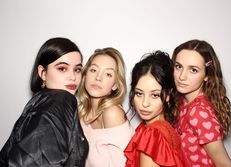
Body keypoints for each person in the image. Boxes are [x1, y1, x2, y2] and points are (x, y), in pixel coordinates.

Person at [0, 37, 89, 167]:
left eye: (77, 69)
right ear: (42, 73)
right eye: (62, 68)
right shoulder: (61, 100)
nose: (73, 77)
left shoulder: (42, 100)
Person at [172, 39, 231, 166]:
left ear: (207, 75)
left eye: (193, 70)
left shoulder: (199, 111)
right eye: (178, 66)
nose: (182, 76)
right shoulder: (183, 102)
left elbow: (224, 164)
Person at [124, 51, 189, 167]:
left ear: (168, 95)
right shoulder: (167, 129)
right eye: (139, 93)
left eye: (155, 95)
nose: (145, 103)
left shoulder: (152, 135)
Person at [78, 47, 134, 167]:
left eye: (108, 74)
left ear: (115, 85)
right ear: (85, 75)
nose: (98, 78)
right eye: (93, 70)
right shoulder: (81, 114)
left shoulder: (112, 113)